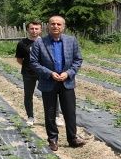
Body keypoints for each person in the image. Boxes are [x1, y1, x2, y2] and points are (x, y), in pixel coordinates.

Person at [29, 15, 85, 151]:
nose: (55, 26)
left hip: (67, 81)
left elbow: (78, 60)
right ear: (48, 26)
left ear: (63, 27)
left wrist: (68, 73)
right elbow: (33, 62)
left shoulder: (71, 41)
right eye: (52, 24)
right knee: (50, 112)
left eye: (59, 24)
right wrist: (49, 73)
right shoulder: (39, 43)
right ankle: (53, 139)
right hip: (49, 81)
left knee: (70, 112)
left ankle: (72, 138)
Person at [15, 21, 66, 126]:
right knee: (28, 95)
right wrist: (29, 67)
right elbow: (19, 59)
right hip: (28, 73)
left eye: (36, 28)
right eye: (32, 28)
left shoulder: (46, 42)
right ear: (28, 30)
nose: (34, 31)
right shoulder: (22, 43)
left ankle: (56, 117)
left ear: (40, 30)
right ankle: (30, 117)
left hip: (45, 73)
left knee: (51, 94)